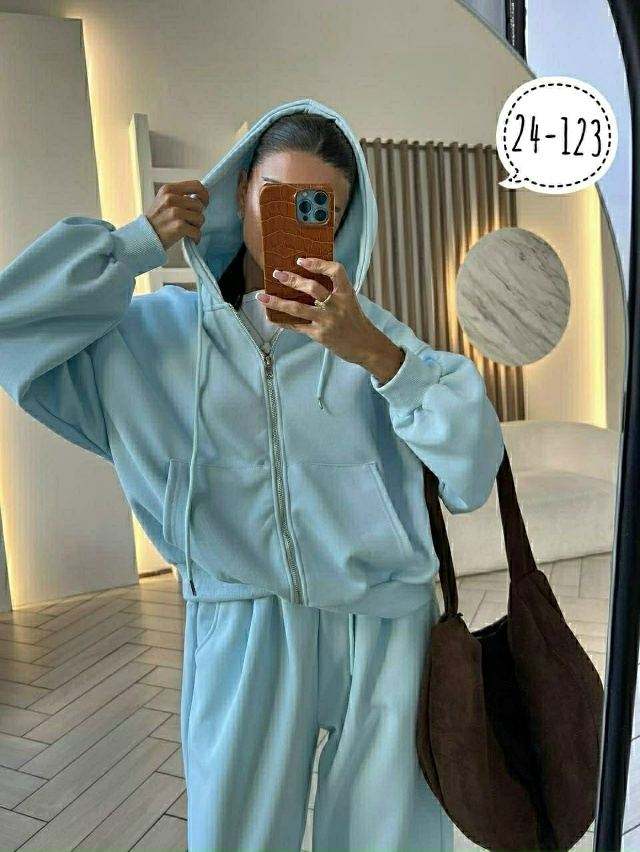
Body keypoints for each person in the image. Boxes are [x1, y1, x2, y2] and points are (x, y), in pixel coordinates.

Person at [0, 97, 504, 852]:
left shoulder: (375, 335)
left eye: (318, 209)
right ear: (240, 191)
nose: (293, 224)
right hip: (241, 624)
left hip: (387, 625)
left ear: (341, 223)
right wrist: (135, 244)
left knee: (387, 840)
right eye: (277, 197)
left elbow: (472, 471)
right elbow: (11, 325)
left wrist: (378, 357)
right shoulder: (152, 339)